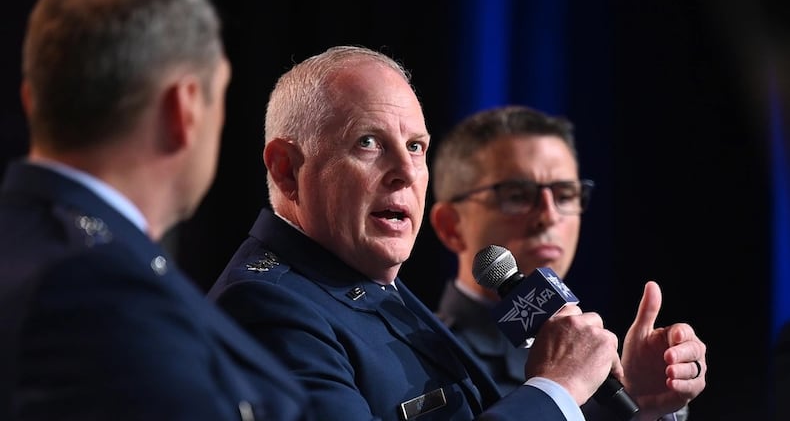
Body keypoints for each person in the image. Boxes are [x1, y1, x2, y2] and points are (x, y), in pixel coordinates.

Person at [209, 44, 631, 421]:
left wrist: (638, 404)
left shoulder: (366, 284)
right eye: (368, 142)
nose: (406, 172)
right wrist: (555, 391)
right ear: (287, 170)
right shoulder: (265, 306)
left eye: (415, 147)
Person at [0, 0, 315, 419]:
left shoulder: (41, 250)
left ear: (32, 99)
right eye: (221, 93)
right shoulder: (93, 291)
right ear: (185, 109)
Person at [428, 104, 708, 420]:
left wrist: (643, 404)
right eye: (517, 196)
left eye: (564, 195)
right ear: (451, 226)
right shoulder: (428, 359)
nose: (549, 216)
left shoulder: (600, 353)